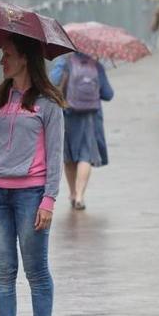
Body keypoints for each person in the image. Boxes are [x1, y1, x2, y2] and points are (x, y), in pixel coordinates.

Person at [0, 34, 65, 316]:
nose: (2, 61)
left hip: (31, 194)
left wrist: (49, 200)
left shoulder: (48, 103)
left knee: (36, 272)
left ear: (26, 58)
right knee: (3, 271)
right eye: (1, 56)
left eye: (8, 55)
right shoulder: (0, 97)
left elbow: (55, 156)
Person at [49, 51, 114, 211]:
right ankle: (80, 196)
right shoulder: (96, 65)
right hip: (90, 118)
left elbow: (52, 82)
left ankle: (72, 193)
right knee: (86, 155)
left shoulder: (64, 61)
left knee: (69, 156)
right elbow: (108, 94)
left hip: (67, 115)